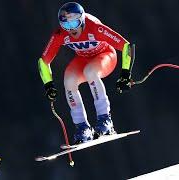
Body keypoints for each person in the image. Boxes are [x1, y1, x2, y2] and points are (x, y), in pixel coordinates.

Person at [38, 2, 134, 144]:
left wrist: (125, 74)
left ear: (82, 19)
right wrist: (48, 85)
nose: (71, 30)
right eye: (66, 26)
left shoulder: (94, 27)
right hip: (83, 59)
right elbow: (43, 61)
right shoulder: (60, 34)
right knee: (69, 81)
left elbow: (126, 46)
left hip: (105, 56)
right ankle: (82, 128)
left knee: (90, 72)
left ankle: (105, 121)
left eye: (75, 23)